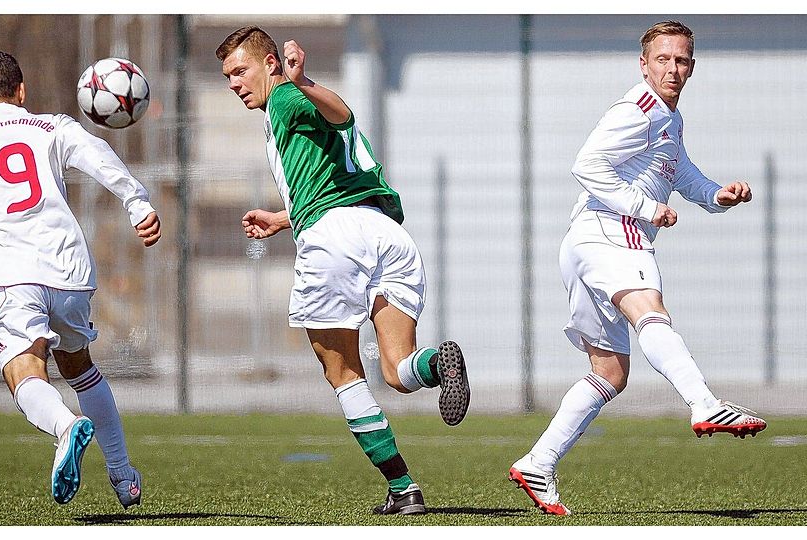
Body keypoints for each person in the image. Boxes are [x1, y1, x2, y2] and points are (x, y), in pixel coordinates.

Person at [508, 20, 767, 516]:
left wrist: (717, 195)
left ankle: (538, 463)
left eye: (682, 60)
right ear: (644, 64)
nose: (673, 68)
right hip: (612, 229)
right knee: (651, 311)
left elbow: (681, 173)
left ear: (692, 67)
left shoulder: (670, 119)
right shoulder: (638, 109)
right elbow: (586, 164)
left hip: (585, 241)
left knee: (609, 373)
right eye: (663, 59)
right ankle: (704, 403)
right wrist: (646, 208)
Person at [215, 26, 471, 516]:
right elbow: (334, 173)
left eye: (240, 71)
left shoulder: (285, 99)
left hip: (335, 239)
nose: (233, 84)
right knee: (397, 370)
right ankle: (438, 366)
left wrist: (302, 82)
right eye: (227, 76)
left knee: (342, 372)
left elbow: (341, 113)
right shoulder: (287, 110)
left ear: (270, 63)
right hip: (387, 236)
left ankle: (404, 489)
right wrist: (283, 218)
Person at [0, 51, 160, 508]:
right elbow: (98, 156)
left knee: (24, 370)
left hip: (8, 276)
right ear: (21, 91)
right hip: (68, 270)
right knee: (81, 369)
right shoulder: (51, 126)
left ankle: (65, 426)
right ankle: (122, 475)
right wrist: (137, 203)